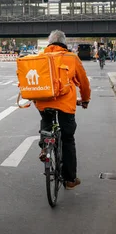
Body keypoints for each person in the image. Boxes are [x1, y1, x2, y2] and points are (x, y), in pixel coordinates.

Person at [35, 30, 91, 190]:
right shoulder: (71, 58)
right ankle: (70, 179)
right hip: (66, 104)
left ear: (49, 43)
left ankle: (45, 147)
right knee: (68, 139)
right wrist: (85, 99)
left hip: (44, 102)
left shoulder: (40, 57)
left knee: (46, 123)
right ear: (64, 43)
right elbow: (84, 82)